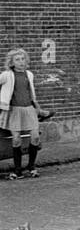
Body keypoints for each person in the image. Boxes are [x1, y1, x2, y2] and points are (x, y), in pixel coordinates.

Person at [1, 48, 49, 179]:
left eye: (23, 59)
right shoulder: (6, 75)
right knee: (16, 140)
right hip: (14, 111)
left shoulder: (29, 74)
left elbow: (31, 94)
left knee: (35, 137)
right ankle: (18, 171)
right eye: (17, 60)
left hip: (29, 110)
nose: (21, 62)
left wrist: (38, 108)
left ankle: (31, 167)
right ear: (12, 62)